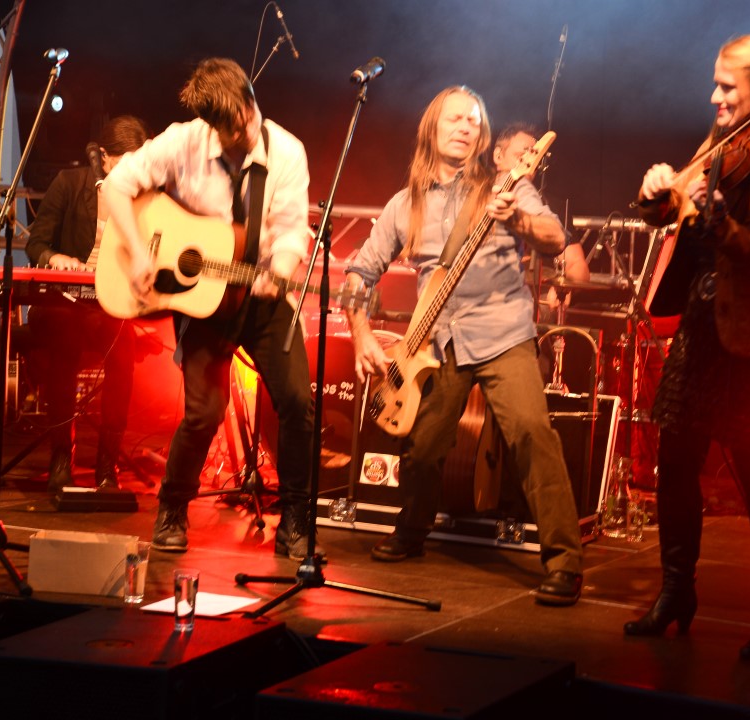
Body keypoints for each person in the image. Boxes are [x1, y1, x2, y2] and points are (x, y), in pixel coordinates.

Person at [343, 86, 584, 606]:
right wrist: (361, 332)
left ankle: (565, 560)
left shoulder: (506, 185)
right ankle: (411, 531)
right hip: (439, 341)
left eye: (474, 121)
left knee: (531, 433)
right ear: (432, 127)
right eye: (455, 118)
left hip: (503, 331)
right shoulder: (404, 204)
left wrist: (515, 218)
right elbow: (359, 273)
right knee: (422, 446)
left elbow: (553, 236)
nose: (466, 127)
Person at [624, 33, 750, 660]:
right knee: (676, 461)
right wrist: (657, 191)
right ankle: (676, 591)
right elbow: (671, 211)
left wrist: (712, 215)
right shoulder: (720, 146)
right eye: (715, 84)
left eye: (728, 86)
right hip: (705, 326)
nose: (715, 96)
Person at [102, 58, 318, 559]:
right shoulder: (184, 140)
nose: (234, 135)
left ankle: (295, 519)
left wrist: (280, 270)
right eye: (223, 129)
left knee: (296, 401)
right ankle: (172, 509)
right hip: (203, 301)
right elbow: (116, 186)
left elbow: (290, 231)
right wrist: (137, 250)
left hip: (261, 293)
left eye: (240, 122)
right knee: (203, 413)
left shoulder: (287, 152)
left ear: (249, 101)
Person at [25, 115, 149, 493]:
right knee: (65, 337)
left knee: (123, 353)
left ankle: (108, 464)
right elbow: (35, 243)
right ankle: (62, 455)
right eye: (126, 163)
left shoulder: (145, 200)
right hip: (66, 302)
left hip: (110, 305)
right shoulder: (70, 183)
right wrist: (55, 258)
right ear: (105, 159)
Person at [493, 123, 590, 323]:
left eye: (535, 158)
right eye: (521, 156)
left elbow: (577, 264)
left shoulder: (551, 205)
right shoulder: (476, 193)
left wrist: (565, 288)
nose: (531, 163)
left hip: (532, 304)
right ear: (498, 156)